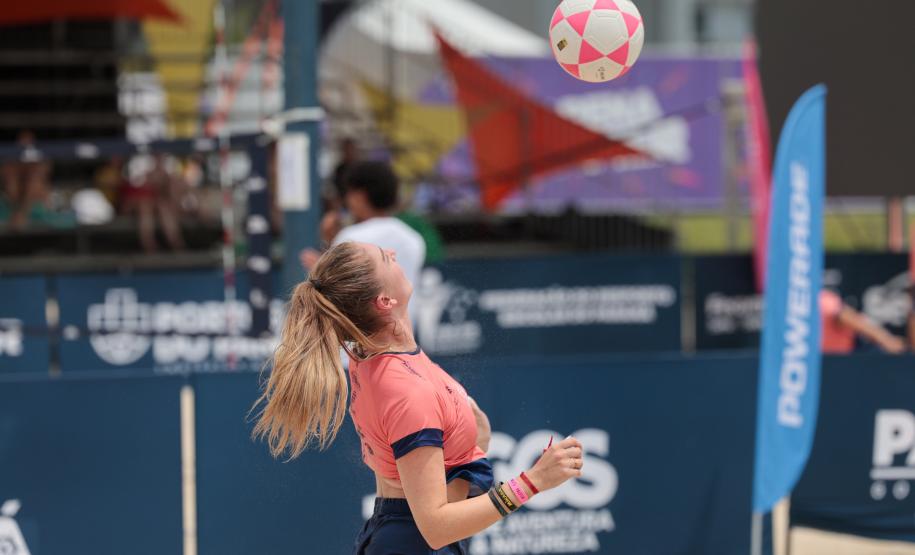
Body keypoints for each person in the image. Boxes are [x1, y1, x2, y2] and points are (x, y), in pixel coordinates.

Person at [254, 241, 584, 554]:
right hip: (414, 543)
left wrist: (473, 445)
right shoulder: (405, 388)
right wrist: (533, 481)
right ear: (384, 301)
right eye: (386, 258)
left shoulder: (373, 357)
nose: (394, 253)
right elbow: (436, 527)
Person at [301, 161, 426, 322]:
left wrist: (320, 266)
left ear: (360, 196)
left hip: (363, 334)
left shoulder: (350, 237)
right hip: (404, 331)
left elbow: (339, 292)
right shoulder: (413, 238)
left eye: (350, 194)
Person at [820, 289, 906, 354]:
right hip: (842, 357)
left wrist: (886, 340)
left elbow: (846, 316)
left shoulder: (822, 301)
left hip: (859, 345)